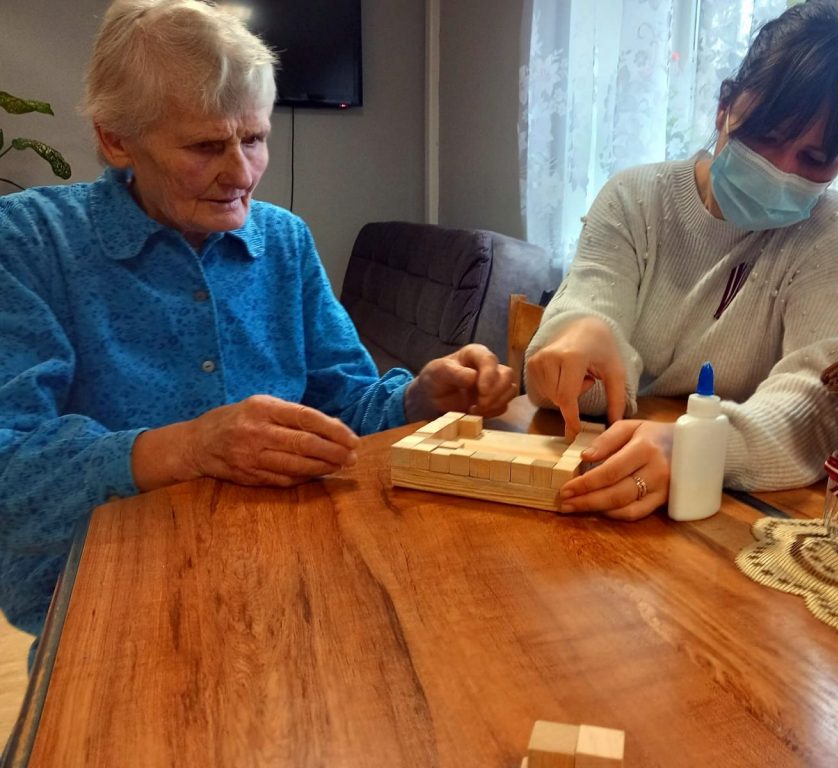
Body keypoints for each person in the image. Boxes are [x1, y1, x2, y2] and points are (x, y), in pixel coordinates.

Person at [0, 0, 516, 643]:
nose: (241, 174)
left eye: (254, 138)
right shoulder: (30, 242)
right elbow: (12, 468)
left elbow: (343, 406)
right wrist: (190, 447)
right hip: (108, 606)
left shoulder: (283, 240)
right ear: (115, 140)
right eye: (205, 146)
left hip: (288, 573)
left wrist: (420, 398)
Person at [524, 0, 838, 520]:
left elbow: (819, 412)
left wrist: (699, 448)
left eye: (815, 160)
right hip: (600, 477)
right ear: (725, 106)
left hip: (727, 508)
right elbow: (566, 386)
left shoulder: (834, 238)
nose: (780, 169)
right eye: (766, 135)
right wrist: (577, 337)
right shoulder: (634, 199)